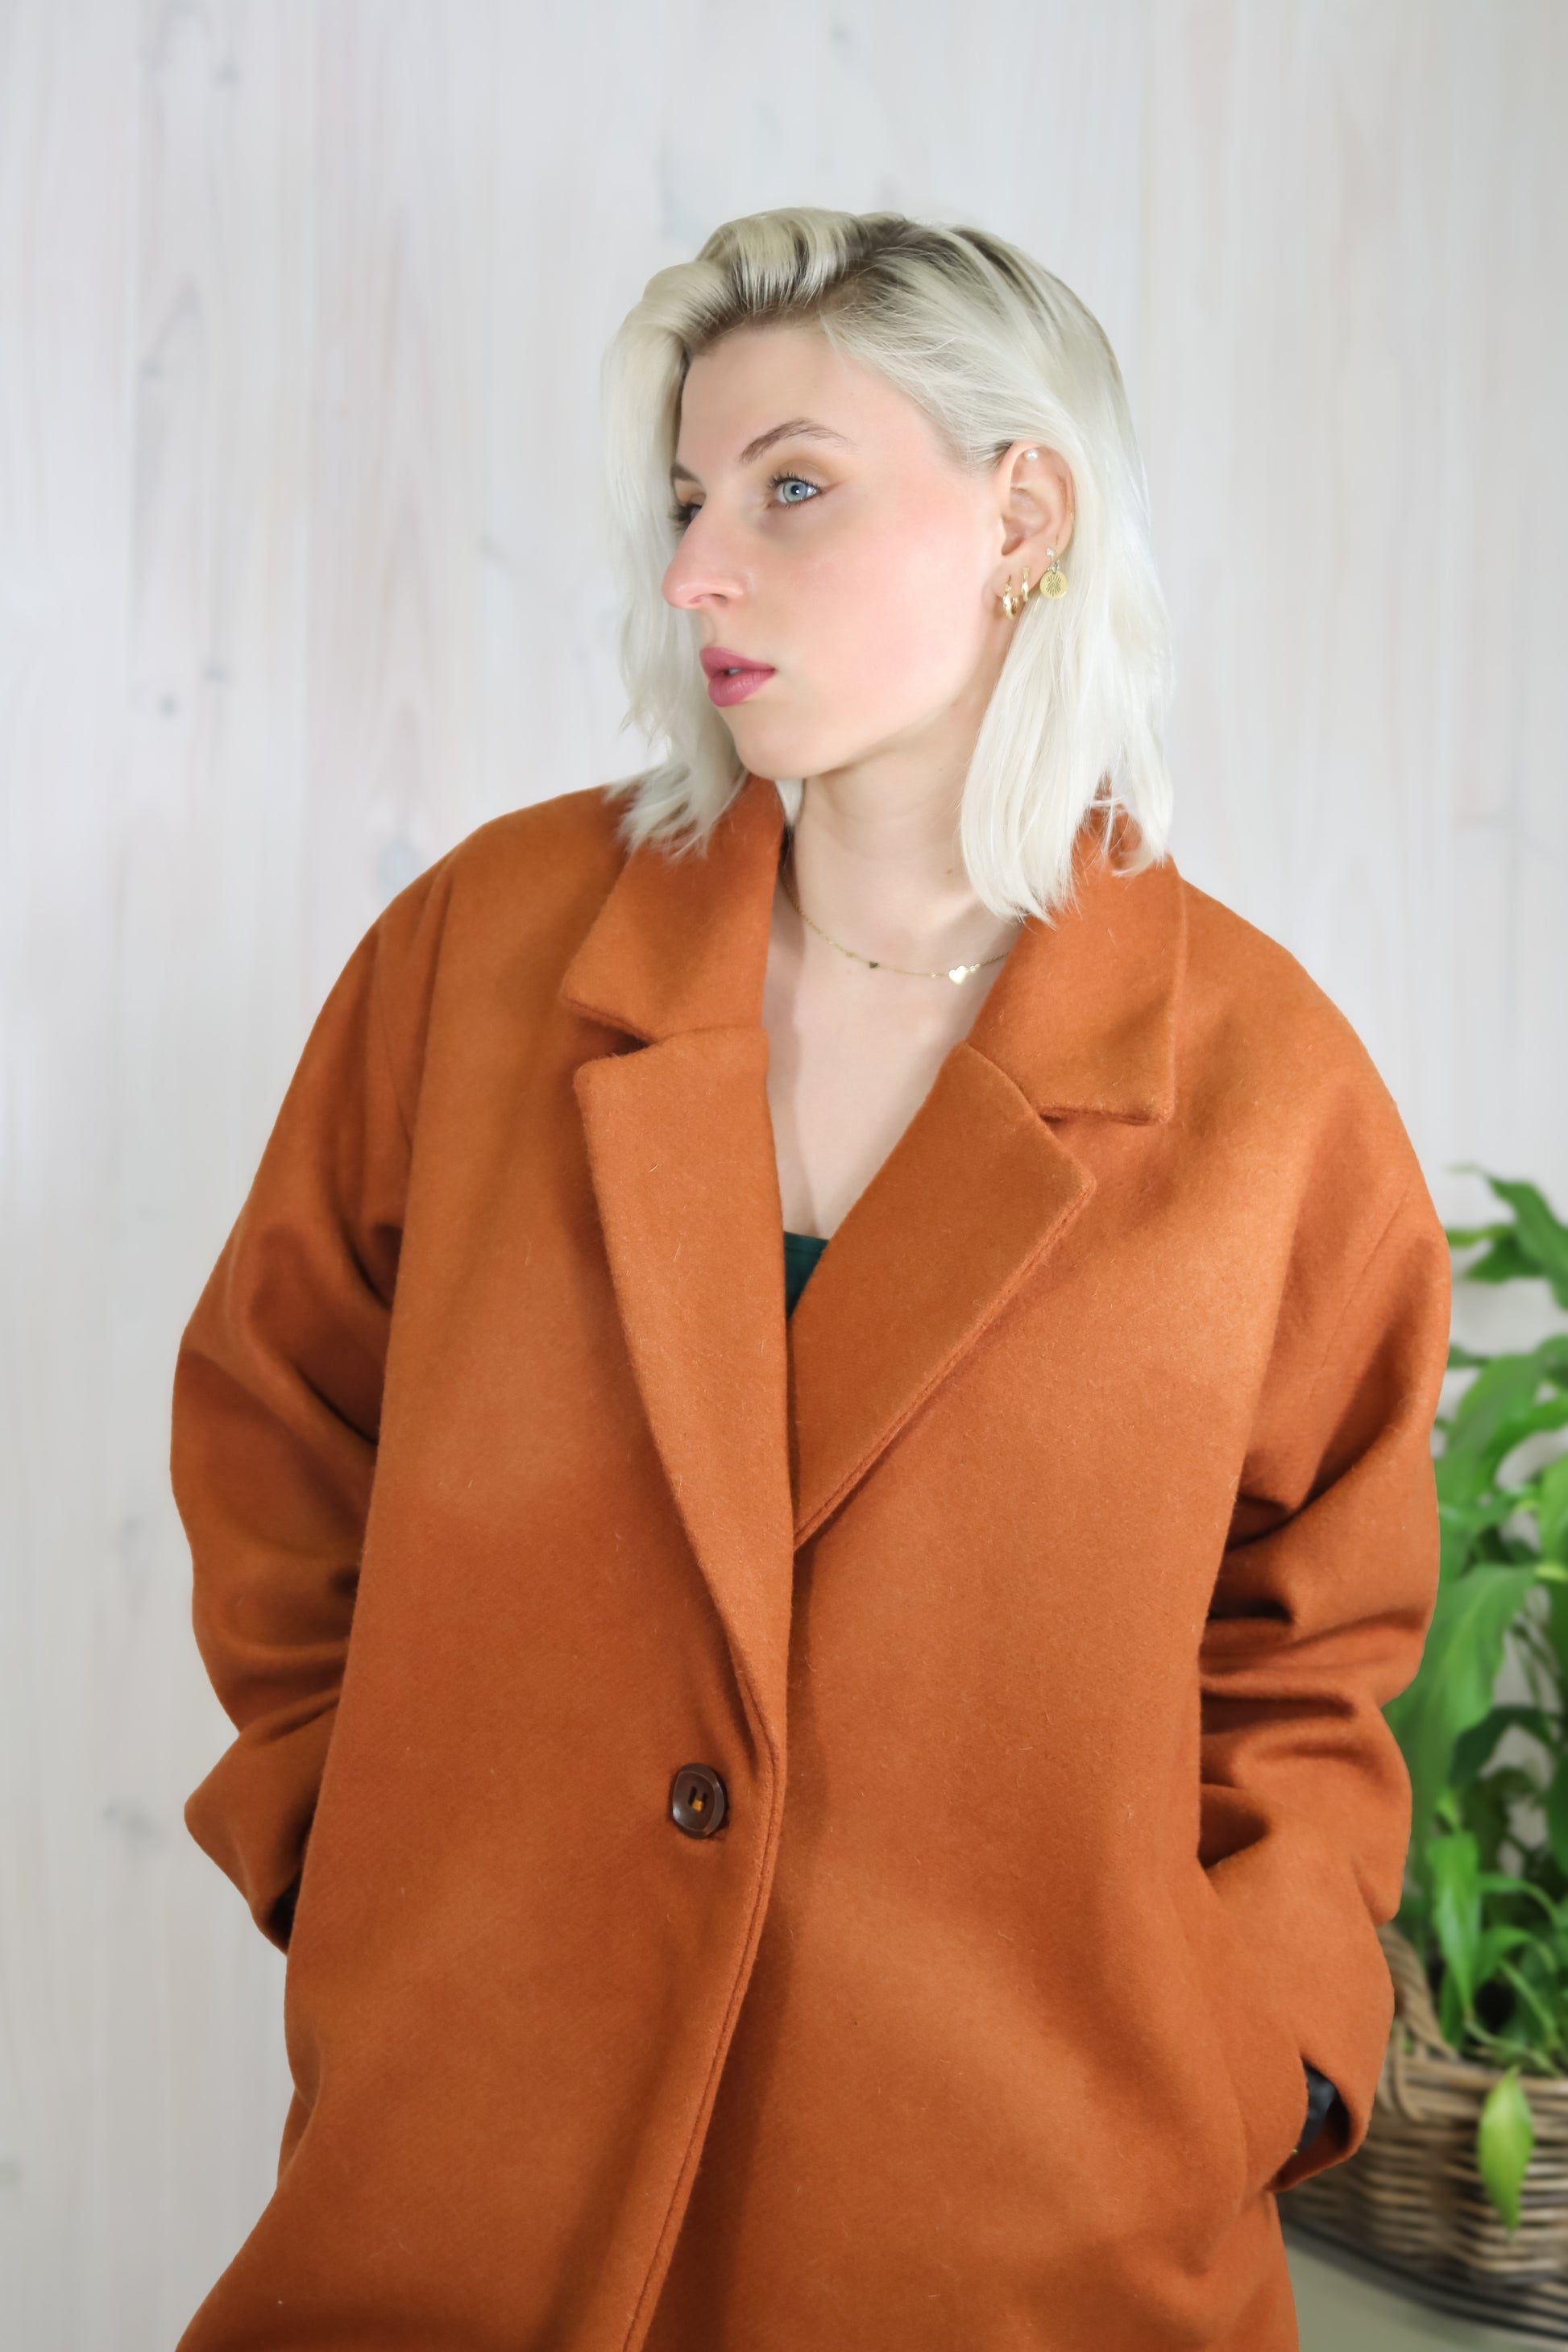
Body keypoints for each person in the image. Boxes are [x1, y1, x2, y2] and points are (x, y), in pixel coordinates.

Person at [172, 209, 1450, 2351]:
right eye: (688, 500)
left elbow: (1314, 1666)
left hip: (1018, 2247)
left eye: (790, 488)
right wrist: (360, 1863)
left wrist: (1249, 2062)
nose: (697, 569)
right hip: (471, 2182)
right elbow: (277, 1428)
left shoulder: (1266, 1093)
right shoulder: (484, 957)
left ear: (1021, 515)